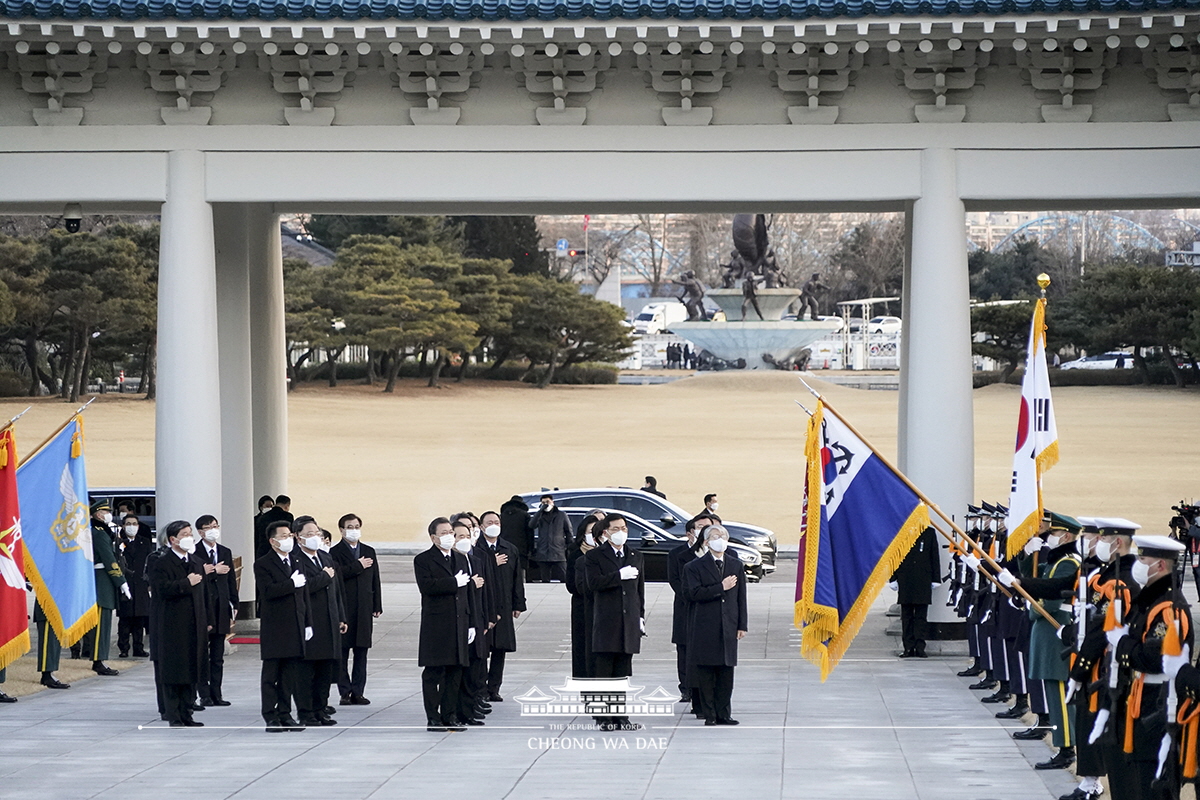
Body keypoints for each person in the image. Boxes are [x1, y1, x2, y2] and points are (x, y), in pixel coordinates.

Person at [1096, 533, 1191, 800]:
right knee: (1136, 778)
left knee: (1153, 781)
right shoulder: (1151, 601)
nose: (1138, 563)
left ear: (1160, 565)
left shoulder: (1168, 608)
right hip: (1140, 698)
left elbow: (1153, 659)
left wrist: (1122, 642)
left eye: (1143, 558)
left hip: (1158, 702)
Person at [1002, 512, 1082, 770]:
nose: (1050, 538)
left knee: (1059, 692)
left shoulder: (1069, 562)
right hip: (1045, 633)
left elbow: (1052, 595)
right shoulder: (1058, 560)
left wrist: (1030, 605)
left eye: (1054, 534)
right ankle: (1063, 743)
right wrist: (1027, 556)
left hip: (1054, 632)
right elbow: (1037, 578)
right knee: (1052, 689)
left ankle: (1066, 747)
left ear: (1066, 536)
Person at [583, 512, 646, 731]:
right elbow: (593, 584)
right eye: (616, 529)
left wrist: (640, 616)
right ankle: (604, 717)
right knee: (604, 671)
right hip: (607, 620)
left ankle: (621, 716)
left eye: (624, 529)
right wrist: (618, 576)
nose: (621, 533)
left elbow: (639, 590)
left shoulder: (635, 555)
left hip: (628, 621)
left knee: (622, 671)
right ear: (606, 532)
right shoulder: (595, 556)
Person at [684, 524, 748, 725]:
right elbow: (692, 594)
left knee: (726, 672)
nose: (719, 539)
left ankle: (724, 713)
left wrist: (741, 625)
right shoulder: (693, 567)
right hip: (705, 625)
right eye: (714, 536)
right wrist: (720, 587)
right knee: (706, 672)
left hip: (728, 625)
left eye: (722, 536)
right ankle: (710, 714)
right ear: (706, 542)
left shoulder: (735, 564)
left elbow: (741, 597)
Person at [145, 520, 207, 727]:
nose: (189, 537)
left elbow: (202, 595)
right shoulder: (161, 562)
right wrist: (185, 583)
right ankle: (173, 714)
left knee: (191, 668)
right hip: (171, 624)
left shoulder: (196, 562)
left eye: (190, 533)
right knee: (173, 669)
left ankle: (187, 712)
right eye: (184, 534)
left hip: (193, 623)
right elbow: (160, 589)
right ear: (173, 539)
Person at [414, 518, 472, 732]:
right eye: (445, 532)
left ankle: (450, 715)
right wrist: (452, 583)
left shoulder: (460, 558)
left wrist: (471, 622)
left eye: (451, 532)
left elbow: (467, 594)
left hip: (459, 623)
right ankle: (433, 716)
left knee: (455, 672)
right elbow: (427, 586)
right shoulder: (423, 560)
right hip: (436, 625)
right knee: (433, 672)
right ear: (433, 537)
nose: (450, 536)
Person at [254, 520, 310, 733]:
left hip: (295, 624)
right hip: (275, 627)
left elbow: (303, 595)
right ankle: (271, 715)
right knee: (271, 674)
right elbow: (267, 591)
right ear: (273, 541)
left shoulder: (296, 560)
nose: (289, 539)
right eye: (284, 536)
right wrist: (290, 584)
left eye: (290, 536)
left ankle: (286, 714)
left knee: (289, 675)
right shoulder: (263, 563)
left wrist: (308, 622)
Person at [293, 516, 346, 727]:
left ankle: (321, 708)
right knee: (308, 671)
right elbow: (302, 587)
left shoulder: (326, 558)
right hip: (310, 622)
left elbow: (337, 592)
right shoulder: (296, 560)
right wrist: (324, 577)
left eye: (317, 533)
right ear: (298, 537)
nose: (314, 537)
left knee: (325, 670)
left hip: (329, 621)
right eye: (309, 534)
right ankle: (306, 712)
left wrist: (341, 616)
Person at [330, 513, 381, 706]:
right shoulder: (334, 553)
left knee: (361, 652)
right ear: (341, 530)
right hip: (345, 608)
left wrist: (377, 604)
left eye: (356, 526)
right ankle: (344, 691)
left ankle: (358, 691)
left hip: (364, 608)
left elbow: (375, 578)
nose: (353, 530)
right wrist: (357, 566)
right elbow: (336, 575)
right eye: (349, 527)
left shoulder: (369, 550)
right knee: (342, 653)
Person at [479, 510, 525, 702]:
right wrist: (490, 561)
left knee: (500, 648)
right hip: (483, 606)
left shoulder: (509, 549)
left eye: (496, 521)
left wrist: (518, 603)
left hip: (504, 605)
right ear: (481, 526)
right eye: (489, 522)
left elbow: (517, 579)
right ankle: (480, 687)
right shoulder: (477, 549)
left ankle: (494, 687)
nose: (493, 525)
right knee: (482, 649)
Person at [670, 514, 713, 716]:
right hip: (686, 607)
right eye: (700, 526)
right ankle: (686, 687)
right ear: (690, 532)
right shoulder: (678, 555)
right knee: (685, 649)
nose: (705, 530)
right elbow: (676, 582)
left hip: (709, 611)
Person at [194, 514, 238, 707]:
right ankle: (203, 693)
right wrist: (210, 570)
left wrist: (234, 605)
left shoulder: (224, 551)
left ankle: (216, 693)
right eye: (208, 527)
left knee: (218, 655)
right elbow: (195, 578)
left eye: (215, 525)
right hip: (203, 608)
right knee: (202, 654)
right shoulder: (194, 552)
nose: (213, 529)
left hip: (221, 608)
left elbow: (230, 581)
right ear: (200, 532)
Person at [82, 500, 128, 676]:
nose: (107, 514)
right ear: (96, 514)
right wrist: (121, 581)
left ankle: (99, 658)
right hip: (102, 580)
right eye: (104, 511)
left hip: (102, 578)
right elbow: (109, 560)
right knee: (102, 623)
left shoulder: (102, 531)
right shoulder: (99, 533)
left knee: (103, 622)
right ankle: (98, 660)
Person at [890, 526, 941, 658]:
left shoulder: (929, 532)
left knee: (921, 616)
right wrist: (893, 577)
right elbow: (894, 555)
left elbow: (934, 556)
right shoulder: (901, 531)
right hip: (905, 578)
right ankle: (908, 647)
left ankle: (920, 647)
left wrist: (936, 578)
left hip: (923, 579)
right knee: (906, 616)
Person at [567, 510, 605, 678]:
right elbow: (571, 585)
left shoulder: (605, 555)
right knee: (582, 646)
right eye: (590, 531)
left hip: (603, 607)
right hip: (582, 607)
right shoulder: (575, 555)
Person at [116, 514, 153, 658]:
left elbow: (149, 563)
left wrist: (148, 582)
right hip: (126, 583)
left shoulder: (145, 542)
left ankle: (139, 647)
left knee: (140, 619)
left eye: (134, 523)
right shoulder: (119, 543)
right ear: (123, 526)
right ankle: (123, 648)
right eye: (128, 523)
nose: (132, 526)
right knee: (125, 619)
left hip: (141, 584)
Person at [530, 494, 572, 584]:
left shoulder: (561, 515)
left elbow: (568, 531)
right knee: (545, 579)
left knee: (564, 577)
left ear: (553, 502)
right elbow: (531, 525)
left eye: (547, 502)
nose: (546, 504)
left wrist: (568, 546)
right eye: (543, 503)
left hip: (558, 550)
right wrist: (540, 511)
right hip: (543, 550)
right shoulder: (540, 516)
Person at [34, 601, 69, 690]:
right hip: (47, 604)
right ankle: (46, 674)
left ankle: (49, 672)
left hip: (57, 605)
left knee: (53, 641)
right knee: (48, 641)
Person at [499, 495, 533, 572]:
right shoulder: (525, 515)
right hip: (521, 549)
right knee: (520, 572)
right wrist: (531, 549)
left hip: (504, 548)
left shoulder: (502, 516)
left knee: (506, 571)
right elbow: (530, 533)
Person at [255, 494, 293, 559]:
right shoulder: (288, 516)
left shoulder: (262, 517)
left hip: (263, 550)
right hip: (280, 549)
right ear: (287, 506)